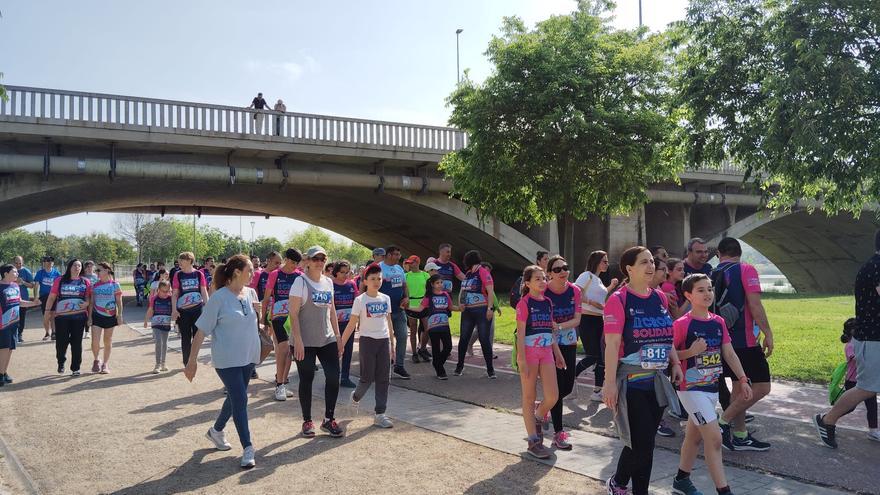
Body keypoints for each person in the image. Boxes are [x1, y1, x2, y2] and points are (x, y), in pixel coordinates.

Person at [603, 246, 683, 495]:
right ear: (629, 268)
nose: (651, 267)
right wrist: (609, 383)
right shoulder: (618, 300)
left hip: (658, 381)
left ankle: (617, 482)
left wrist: (676, 363)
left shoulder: (659, 297)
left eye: (652, 262)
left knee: (640, 441)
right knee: (645, 444)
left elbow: (667, 334)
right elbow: (612, 344)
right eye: (644, 262)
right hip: (632, 381)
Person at [672, 273, 753, 495]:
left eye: (710, 289)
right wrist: (690, 352)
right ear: (688, 295)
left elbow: (728, 352)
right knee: (715, 438)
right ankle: (724, 491)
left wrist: (743, 379)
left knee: (693, 436)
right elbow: (669, 355)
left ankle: (681, 480)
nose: (707, 293)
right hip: (689, 389)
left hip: (711, 389)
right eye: (701, 290)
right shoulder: (681, 324)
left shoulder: (718, 322)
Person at [184, 255, 261, 469]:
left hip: (248, 357)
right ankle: (248, 447)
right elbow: (200, 332)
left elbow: (252, 324)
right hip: (226, 360)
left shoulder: (251, 293)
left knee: (236, 399)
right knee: (241, 399)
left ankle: (216, 431)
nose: (254, 273)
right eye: (250, 270)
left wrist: (260, 314)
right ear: (237, 271)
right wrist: (192, 361)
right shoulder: (218, 298)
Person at [814, 230, 880, 449]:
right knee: (866, 388)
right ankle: (827, 420)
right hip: (873, 339)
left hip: (873, 337)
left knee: (867, 387)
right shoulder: (876, 267)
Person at [711, 237, 773, 451]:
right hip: (743, 341)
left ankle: (740, 435)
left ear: (719, 254)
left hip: (718, 341)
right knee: (762, 386)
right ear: (739, 252)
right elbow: (755, 305)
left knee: (740, 388)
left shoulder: (712, 273)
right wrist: (768, 333)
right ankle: (722, 424)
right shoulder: (745, 270)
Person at [288, 246, 344, 438]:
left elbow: (332, 311)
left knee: (333, 377)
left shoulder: (328, 282)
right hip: (305, 341)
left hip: (326, 338)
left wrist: (338, 337)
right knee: (307, 379)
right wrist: (298, 341)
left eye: (323, 258)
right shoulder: (300, 282)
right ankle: (307, 421)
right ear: (308, 261)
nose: (319, 262)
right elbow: (293, 314)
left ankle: (329, 419)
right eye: (316, 258)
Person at [516, 265, 565, 459]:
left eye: (544, 278)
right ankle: (533, 441)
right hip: (529, 352)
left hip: (546, 352)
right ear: (527, 283)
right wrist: (521, 358)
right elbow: (520, 333)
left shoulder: (548, 303)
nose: (543, 281)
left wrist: (558, 353)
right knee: (529, 397)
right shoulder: (524, 304)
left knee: (553, 396)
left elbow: (549, 331)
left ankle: (538, 416)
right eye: (538, 279)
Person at [340, 263, 394, 428]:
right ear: (365, 281)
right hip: (367, 342)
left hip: (383, 341)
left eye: (379, 278)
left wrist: (392, 344)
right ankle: (355, 397)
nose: (377, 281)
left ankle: (380, 414)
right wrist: (340, 345)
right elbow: (351, 324)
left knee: (384, 378)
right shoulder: (360, 300)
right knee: (367, 378)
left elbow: (389, 322)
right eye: (372, 279)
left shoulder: (386, 298)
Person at [544, 255, 582, 451]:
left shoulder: (574, 290)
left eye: (565, 268)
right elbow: (545, 324)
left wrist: (559, 326)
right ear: (549, 273)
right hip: (549, 343)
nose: (563, 272)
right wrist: (554, 331)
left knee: (567, 385)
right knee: (557, 389)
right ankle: (558, 434)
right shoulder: (544, 292)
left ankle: (543, 408)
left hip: (568, 340)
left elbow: (577, 319)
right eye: (557, 269)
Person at [574, 251, 619, 401]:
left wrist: (611, 286)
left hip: (600, 320)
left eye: (607, 261)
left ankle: (597, 390)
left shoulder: (598, 280)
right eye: (604, 261)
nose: (607, 264)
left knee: (602, 357)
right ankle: (570, 377)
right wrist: (592, 303)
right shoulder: (586, 276)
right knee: (592, 355)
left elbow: (601, 294)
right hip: (587, 319)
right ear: (596, 262)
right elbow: (575, 293)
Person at [262, 248, 302, 401]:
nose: (294, 266)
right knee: (283, 349)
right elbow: (266, 298)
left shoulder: (300, 276)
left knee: (290, 352)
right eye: (292, 262)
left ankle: (284, 383)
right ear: (286, 259)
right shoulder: (275, 274)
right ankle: (279, 384)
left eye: (296, 263)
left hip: (293, 318)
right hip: (278, 317)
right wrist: (263, 319)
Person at [43, 259, 93, 376]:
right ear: (70, 267)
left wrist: (86, 303)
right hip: (62, 317)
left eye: (79, 266)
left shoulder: (85, 282)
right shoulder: (60, 280)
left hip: (79, 317)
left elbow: (89, 298)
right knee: (61, 342)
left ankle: (75, 368)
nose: (77, 267)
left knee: (77, 343)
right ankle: (61, 362)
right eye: (75, 265)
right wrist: (47, 311)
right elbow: (51, 297)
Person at [834, 318, 879, 440]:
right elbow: (856, 358)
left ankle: (873, 431)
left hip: (867, 379)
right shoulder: (850, 345)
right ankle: (828, 417)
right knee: (849, 407)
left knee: (872, 406)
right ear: (852, 331)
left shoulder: (862, 343)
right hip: (853, 381)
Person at [455, 250, 496, 378]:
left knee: (484, 339)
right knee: (463, 339)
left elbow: (490, 291)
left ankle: (490, 370)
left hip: (481, 310)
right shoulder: (468, 274)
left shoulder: (483, 272)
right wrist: (460, 303)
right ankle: (459, 367)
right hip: (467, 311)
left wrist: (490, 309)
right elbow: (463, 290)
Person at [0, 264, 41, 386]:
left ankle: (4, 372)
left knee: (11, 348)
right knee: (3, 348)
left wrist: (33, 303)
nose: (17, 274)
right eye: (14, 272)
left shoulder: (15, 286)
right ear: (6, 273)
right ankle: (0, 374)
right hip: (3, 323)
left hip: (14, 322)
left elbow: (19, 302)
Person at [418, 274, 460, 379]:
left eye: (441, 282)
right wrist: (407, 307)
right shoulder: (429, 296)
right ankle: (440, 371)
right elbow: (420, 308)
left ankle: (437, 363)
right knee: (436, 348)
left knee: (448, 347)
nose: (440, 285)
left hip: (445, 325)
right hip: (433, 326)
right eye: (437, 283)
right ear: (432, 284)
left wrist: (460, 308)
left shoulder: (446, 295)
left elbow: (451, 307)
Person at [378, 246, 411, 379]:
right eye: (396, 254)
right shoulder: (379, 268)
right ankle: (382, 367)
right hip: (384, 312)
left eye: (399, 254)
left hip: (399, 310)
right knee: (384, 341)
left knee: (403, 336)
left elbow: (404, 285)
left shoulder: (399, 269)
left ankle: (399, 366)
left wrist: (407, 297)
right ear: (389, 255)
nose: (399, 257)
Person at [171, 252, 209, 366]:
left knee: (197, 336)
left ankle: (194, 359)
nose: (180, 263)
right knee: (185, 337)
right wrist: (174, 310)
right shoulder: (178, 275)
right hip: (183, 312)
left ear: (189, 261)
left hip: (197, 310)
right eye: (179, 260)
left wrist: (208, 307)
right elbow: (175, 294)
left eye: (182, 260)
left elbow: (203, 291)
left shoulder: (198, 274)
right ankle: (186, 361)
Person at [89, 263, 123, 374]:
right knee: (95, 340)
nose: (97, 272)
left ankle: (105, 364)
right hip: (97, 315)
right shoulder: (94, 285)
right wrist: (89, 317)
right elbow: (91, 302)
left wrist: (120, 315)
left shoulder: (115, 285)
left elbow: (119, 301)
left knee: (107, 341)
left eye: (99, 270)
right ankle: (96, 360)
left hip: (110, 316)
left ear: (107, 270)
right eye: (97, 270)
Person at [331, 260, 359, 388]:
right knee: (333, 351)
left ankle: (345, 377)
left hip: (349, 324)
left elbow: (357, 301)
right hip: (334, 325)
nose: (345, 275)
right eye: (342, 272)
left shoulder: (352, 284)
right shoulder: (330, 284)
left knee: (348, 351)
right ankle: (332, 377)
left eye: (347, 272)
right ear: (336, 272)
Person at [404, 255, 431, 363]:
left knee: (428, 328)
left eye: (412, 262)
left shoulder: (425, 275)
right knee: (413, 330)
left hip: (424, 304)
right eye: (409, 263)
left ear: (418, 262)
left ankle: (422, 348)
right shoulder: (406, 276)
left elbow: (430, 289)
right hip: (411, 305)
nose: (410, 264)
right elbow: (403, 289)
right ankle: (414, 353)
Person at [145, 280, 173, 374]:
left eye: (167, 291)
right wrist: (146, 320)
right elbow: (150, 310)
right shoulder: (154, 298)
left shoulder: (171, 298)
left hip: (166, 324)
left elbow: (175, 311)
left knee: (165, 343)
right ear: (158, 290)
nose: (165, 293)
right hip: (156, 323)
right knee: (158, 342)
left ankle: (163, 363)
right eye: (163, 291)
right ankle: (157, 364)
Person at [34, 256, 60, 341]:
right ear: (44, 263)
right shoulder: (40, 273)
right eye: (47, 261)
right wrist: (35, 297)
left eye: (51, 261)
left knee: (53, 315)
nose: (49, 262)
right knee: (46, 316)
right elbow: (36, 285)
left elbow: (60, 285)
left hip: (53, 296)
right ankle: (47, 333)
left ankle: (54, 332)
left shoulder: (56, 273)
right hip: (44, 297)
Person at [12, 256, 34, 344]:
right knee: (12, 318)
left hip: (23, 299)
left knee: (21, 318)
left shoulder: (26, 271)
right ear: (13, 262)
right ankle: (13, 335)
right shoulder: (10, 271)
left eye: (20, 263)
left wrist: (23, 282)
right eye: (16, 263)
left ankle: (19, 335)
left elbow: (32, 285)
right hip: (11, 299)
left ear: (23, 262)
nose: (18, 265)